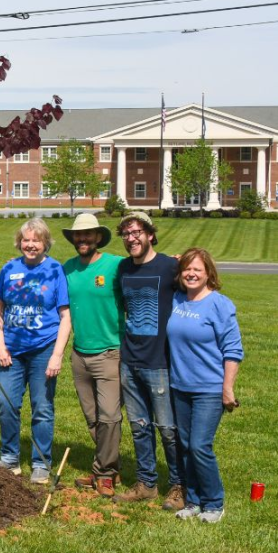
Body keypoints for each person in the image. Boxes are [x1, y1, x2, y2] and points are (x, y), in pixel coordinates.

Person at [0, 218, 71, 485]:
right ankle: (10, 457)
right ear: (19, 242)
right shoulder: (9, 269)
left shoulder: (55, 270)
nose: (30, 245)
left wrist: (57, 354)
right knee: (6, 403)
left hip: (43, 349)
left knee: (42, 407)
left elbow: (65, 316)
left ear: (45, 243)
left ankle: (41, 462)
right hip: (12, 351)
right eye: (26, 240)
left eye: (36, 240)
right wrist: (0, 345)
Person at [113, 211, 185, 511]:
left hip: (160, 361)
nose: (131, 238)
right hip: (130, 360)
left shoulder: (170, 266)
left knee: (168, 429)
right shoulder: (123, 269)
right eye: (126, 234)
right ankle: (146, 484)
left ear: (150, 234)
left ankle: (180, 485)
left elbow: (198, 281)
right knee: (139, 426)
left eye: (136, 232)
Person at [167, 248, 243, 524]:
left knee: (200, 445)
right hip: (180, 386)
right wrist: (172, 261)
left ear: (209, 272)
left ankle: (214, 502)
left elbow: (233, 349)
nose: (191, 273)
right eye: (187, 269)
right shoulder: (176, 299)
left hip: (209, 389)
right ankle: (194, 501)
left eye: (197, 269)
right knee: (186, 445)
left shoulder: (219, 304)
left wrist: (228, 388)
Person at [62, 214, 125, 498]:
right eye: (78, 235)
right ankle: (110, 467)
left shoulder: (114, 265)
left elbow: (146, 274)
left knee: (110, 416)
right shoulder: (68, 269)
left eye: (88, 235)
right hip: (80, 355)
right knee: (93, 419)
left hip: (111, 352)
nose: (83, 239)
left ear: (98, 237)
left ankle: (105, 473)